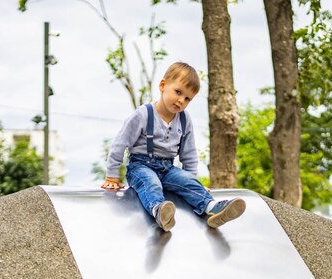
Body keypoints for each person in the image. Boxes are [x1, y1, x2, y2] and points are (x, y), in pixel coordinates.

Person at [101, 62, 245, 232]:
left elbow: (189, 153)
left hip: (168, 168)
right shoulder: (144, 114)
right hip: (140, 167)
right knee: (151, 182)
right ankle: (160, 210)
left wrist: (191, 180)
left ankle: (213, 208)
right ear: (163, 86)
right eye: (178, 92)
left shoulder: (184, 120)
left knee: (188, 182)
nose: (181, 101)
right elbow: (120, 143)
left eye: (187, 99)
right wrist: (112, 176)